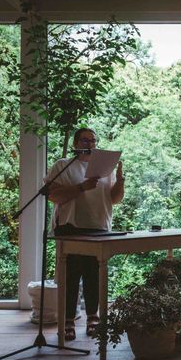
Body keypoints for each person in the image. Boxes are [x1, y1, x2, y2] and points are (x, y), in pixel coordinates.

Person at [46, 128, 125, 341]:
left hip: (98, 227)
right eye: (85, 140)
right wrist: (81, 187)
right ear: (75, 143)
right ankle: (68, 321)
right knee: (70, 277)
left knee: (94, 277)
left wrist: (120, 181)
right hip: (70, 227)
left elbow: (114, 199)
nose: (90, 144)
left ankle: (93, 318)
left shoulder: (104, 169)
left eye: (93, 140)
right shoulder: (63, 166)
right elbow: (52, 195)